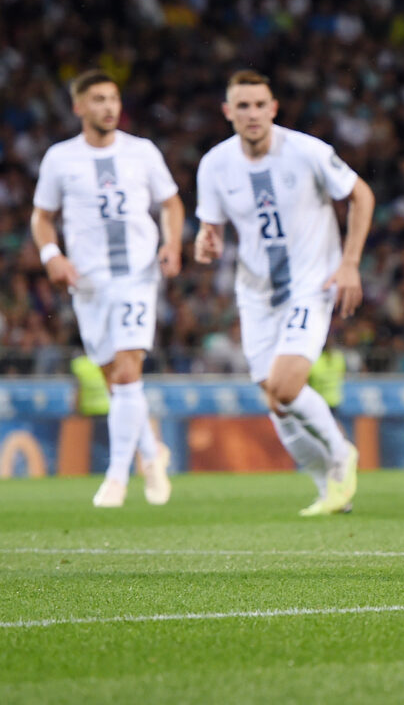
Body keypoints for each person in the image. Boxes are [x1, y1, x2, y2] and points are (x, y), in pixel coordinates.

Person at [193, 70, 376, 515]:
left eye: (260, 105)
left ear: (273, 108)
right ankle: (329, 489)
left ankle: (340, 454)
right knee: (276, 402)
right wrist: (206, 238)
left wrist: (349, 263)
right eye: (243, 106)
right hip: (255, 293)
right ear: (228, 112)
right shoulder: (214, 164)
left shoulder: (307, 152)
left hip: (310, 286)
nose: (252, 114)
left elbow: (362, 196)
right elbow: (211, 226)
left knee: (287, 385)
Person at [30, 70, 181, 508]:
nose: (109, 107)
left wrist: (171, 243)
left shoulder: (142, 152)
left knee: (129, 370)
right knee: (114, 379)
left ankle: (116, 478)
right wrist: (51, 256)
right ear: (78, 107)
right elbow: (41, 217)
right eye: (97, 99)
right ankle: (152, 455)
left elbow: (170, 202)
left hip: (137, 274)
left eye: (113, 98)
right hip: (89, 282)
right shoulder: (60, 159)